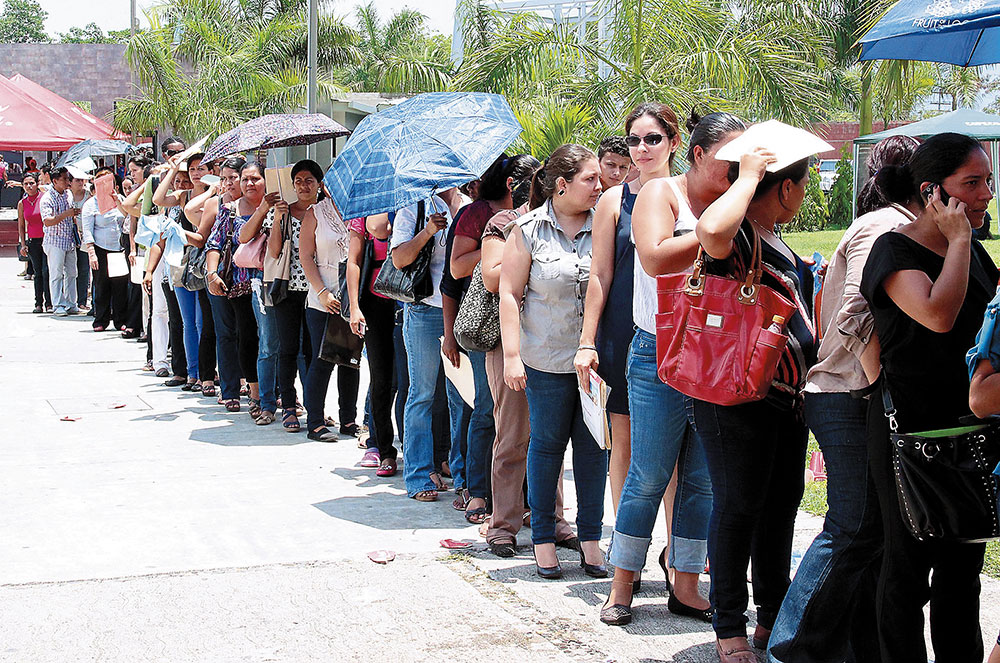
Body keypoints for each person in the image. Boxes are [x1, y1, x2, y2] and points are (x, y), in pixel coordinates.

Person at [767, 135, 921, 663]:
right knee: (853, 524)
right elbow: (858, 316)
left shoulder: (882, 223)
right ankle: (790, 648)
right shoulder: (885, 226)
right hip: (850, 393)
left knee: (873, 527)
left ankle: (851, 647)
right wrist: (883, 387)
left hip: (848, 392)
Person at [596, 110, 743, 626]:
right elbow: (656, 260)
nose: (736, 168)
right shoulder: (662, 192)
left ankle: (686, 585)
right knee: (648, 473)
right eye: (729, 159)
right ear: (698, 154)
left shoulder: (734, 201)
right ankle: (622, 585)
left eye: (651, 139)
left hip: (713, 357)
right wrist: (717, 224)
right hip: (657, 350)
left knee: (701, 478)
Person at [860, 132, 995, 663]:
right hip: (910, 434)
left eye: (989, 180)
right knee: (907, 568)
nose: (987, 193)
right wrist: (958, 242)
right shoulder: (893, 249)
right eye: (973, 183)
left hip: (970, 428)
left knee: (963, 573)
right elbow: (937, 315)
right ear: (932, 192)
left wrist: (966, 245)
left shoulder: (977, 252)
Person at [694, 141, 819, 662]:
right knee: (738, 506)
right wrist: (745, 178)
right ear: (786, 188)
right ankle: (729, 627)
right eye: (803, 183)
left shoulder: (777, 239)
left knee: (780, 506)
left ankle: (771, 615)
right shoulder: (739, 234)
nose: (805, 193)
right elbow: (709, 231)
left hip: (784, 396)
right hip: (735, 394)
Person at [499, 144, 607, 579]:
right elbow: (509, 292)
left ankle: (592, 540)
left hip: (594, 363)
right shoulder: (527, 230)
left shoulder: (606, 224)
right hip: (543, 358)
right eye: (591, 179)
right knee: (546, 448)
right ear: (561, 185)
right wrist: (511, 356)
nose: (600, 186)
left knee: (593, 449)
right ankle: (542, 539)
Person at [450, 158, 543, 523]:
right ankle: (480, 495)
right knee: (492, 415)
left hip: (539, 334)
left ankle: (534, 507)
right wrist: (518, 251)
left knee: (538, 433)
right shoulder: (488, 218)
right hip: (490, 327)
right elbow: (457, 272)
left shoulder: (546, 222)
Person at [392, 193, 463, 500]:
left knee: (461, 398)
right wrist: (428, 231)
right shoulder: (416, 205)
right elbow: (399, 259)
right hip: (424, 308)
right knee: (421, 394)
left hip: (463, 310)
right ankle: (419, 475)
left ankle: (463, 477)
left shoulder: (469, 203)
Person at [299, 189, 359, 442]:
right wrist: (322, 291)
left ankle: (349, 420)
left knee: (351, 361)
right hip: (323, 296)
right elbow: (305, 256)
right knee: (322, 360)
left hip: (353, 295)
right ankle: (315, 423)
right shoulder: (315, 213)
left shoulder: (359, 208)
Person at [204, 158, 261, 414]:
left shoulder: (275, 205)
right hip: (237, 283)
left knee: (271, 340)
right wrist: (211, 273)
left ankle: (275, 391)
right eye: (224, 178)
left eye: (252, 178)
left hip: (271, 283)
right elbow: (213, 243)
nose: (231, 183)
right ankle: (240, 390)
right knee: (238, 336)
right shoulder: (227, 209)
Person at [270, 160, 322, 434]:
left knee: (315, 351)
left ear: (319, 183)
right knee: (288, 348)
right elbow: (274, 251)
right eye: (299, 181)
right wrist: (278, 219)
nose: (304, 185)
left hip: (319, 290)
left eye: (309, 180)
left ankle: (316, 409)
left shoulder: (326, 211)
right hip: (288, 288)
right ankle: (289, 405)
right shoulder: (283, 212)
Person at [347, 206, 397, 470]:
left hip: (409, 300)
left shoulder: (416, 201)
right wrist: (354, 307)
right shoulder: (366, 208)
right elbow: (354, 260)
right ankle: (382, 446)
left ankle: (429, 454)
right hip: (376, 302)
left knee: (408, 382)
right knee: (381, 379)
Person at [238, 165, 280, 425]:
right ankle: (266, 402)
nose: (249, 183)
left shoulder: (289, 205)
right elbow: (243, 237)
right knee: (267, 345)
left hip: (294, 281)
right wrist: (264, 209)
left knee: (294, 347)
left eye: (255, 178)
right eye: (246, 179)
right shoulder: (260, 210)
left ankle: (288, 398)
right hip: (262, 282)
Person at [82, 168, 131, 332]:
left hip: (118, 248)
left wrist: (118, 201)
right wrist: (91, 252)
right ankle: (100, 320)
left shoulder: (120, 199)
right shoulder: (90, 204)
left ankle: (120, 319)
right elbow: (87, 229)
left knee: (120, 286)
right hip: (100, 248)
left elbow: (128, 217)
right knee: (101, 286)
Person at [40, 167, 81, 317]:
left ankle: (71, 303)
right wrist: (66, 214)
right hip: (54, 240)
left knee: (71, 273)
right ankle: (58, 304)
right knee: (56, 274)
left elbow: (71, 215)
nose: (67, 181)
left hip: (69, 239)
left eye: (68, 178)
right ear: (55, 181)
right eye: (64, 179)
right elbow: (47, 221)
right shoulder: (47, 198)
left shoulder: (68, 194)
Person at [17, 173, 52, 313]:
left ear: (37, 183)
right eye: (26, 184)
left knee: (47, 271)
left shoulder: (44, 198)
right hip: (33, 241)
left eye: (31, 183)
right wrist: (23, 243)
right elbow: (21, 225)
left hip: (47, 239)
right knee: (38, 273)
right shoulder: (22, 203)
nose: (29, 186)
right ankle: (39, 303)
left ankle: (50, 302)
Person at [68, 173, 92, 312]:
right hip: (69, 235)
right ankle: (70, 299)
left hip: (84, 236)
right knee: (70, 269)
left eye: (82, 180)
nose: (80, 183)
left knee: (84, 268)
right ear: (70, 182)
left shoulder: (89, 195)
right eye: (77, 180)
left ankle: (82, 300)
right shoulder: (66, 195)